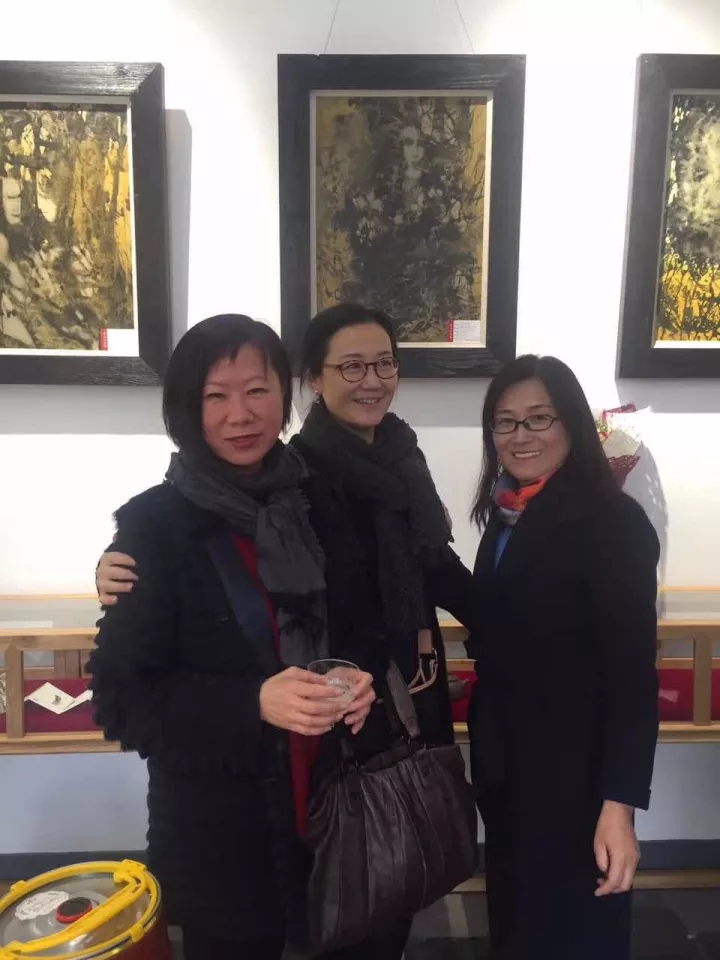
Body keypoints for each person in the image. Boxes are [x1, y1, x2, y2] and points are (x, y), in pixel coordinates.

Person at [96, 301, 479, 960]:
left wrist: (360, 674)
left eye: (256, 390)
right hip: (228, 834)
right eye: (216, 396)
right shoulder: (154, 529)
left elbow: (365, 622)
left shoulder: (319, 498)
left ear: (284, 394)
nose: (240, 414)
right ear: (186, 407)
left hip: (347, 800)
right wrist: (252, 701)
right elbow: (122, 698)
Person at [467, 354, 660, 960]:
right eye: (505, 421)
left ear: (572, 423)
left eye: (539, 418)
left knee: (576, 933)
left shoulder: (612, 522)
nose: (520, 435)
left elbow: (633, 677)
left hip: (577, 781)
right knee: (518, 927)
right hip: (509, 770)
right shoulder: (507, 515)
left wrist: (619, 806)